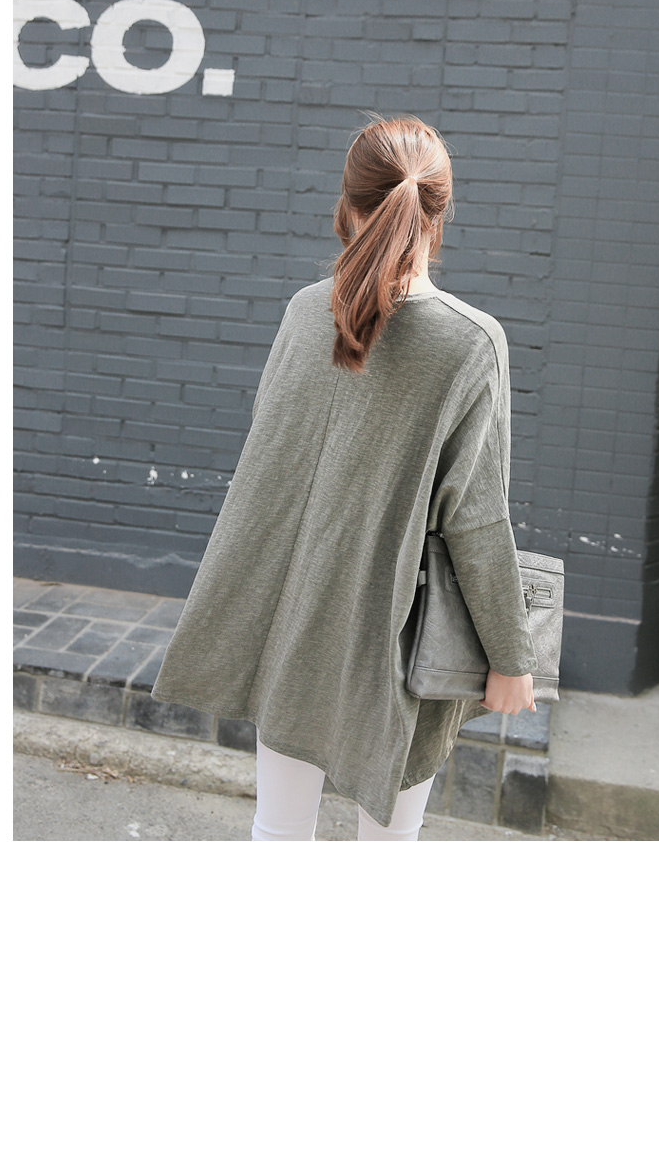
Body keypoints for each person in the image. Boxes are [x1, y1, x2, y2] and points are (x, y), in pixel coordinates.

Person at [150, 115, 551, 841]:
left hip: (293, 613)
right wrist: (510, 655)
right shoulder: (469, 340)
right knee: (388, 846)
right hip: (394, 634)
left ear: (348, 203)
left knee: (278, 830)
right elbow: (476, 516)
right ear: (440, 212)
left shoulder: (308, 311)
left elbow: (272, 458)